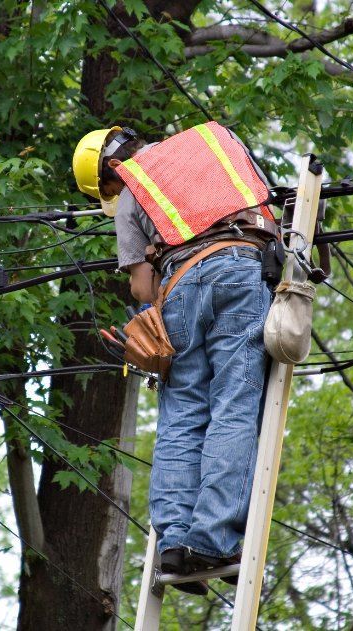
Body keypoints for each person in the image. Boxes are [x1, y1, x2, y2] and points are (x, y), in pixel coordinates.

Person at [72, 123, 277, 594]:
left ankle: (175, 543)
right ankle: (212, 540)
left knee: (183, 416)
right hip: (242, 268)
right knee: (234, 405)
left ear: (106, 175)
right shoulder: (210, 145)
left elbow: (144, 287)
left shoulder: (130, 192)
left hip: (181, 287)